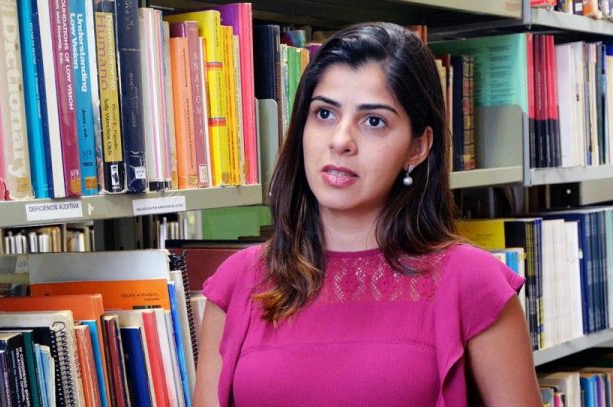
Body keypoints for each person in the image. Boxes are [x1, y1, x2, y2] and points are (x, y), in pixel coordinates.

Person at [194, 22, 541, 406]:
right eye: (324, 113)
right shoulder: (238, 282)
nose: (341, 140)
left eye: (373, 121)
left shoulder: (472, 283)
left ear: (418, 147)